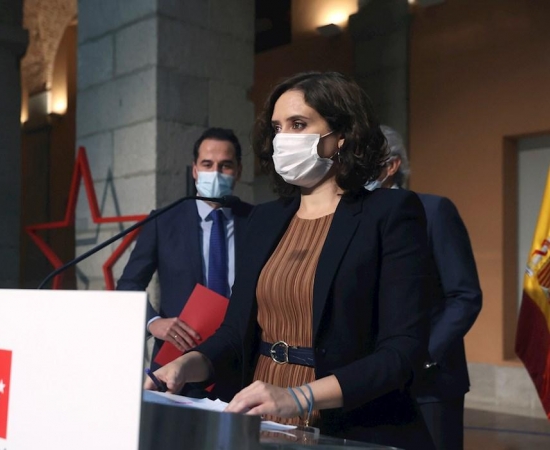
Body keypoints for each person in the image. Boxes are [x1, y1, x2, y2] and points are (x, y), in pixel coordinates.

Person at [144, 72, 434, 449]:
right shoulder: (265, 220)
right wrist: (187, 364)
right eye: (278, 128)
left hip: (350, 423)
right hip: (260, 416)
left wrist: (299, 396)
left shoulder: (391, 213)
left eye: (299, 124)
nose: (284, 139)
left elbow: (402, 351)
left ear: (341, 134)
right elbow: (235, 333)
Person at [367, 125, 482, 450]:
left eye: (365, 160)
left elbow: (465, 296)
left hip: (429, 385)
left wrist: (422, 355)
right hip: (370, 384)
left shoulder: (434, 211)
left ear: (391, 166)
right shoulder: (354, 218)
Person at [117, 127, 253, 395]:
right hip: (175, 363)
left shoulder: (256, 221)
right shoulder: (163, 220)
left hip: (241, 363)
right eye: (207, 164)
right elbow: (128, 285)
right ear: (194, 170)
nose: (215, 172)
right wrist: (153, 322)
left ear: (238, 171)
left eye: (225, 165)